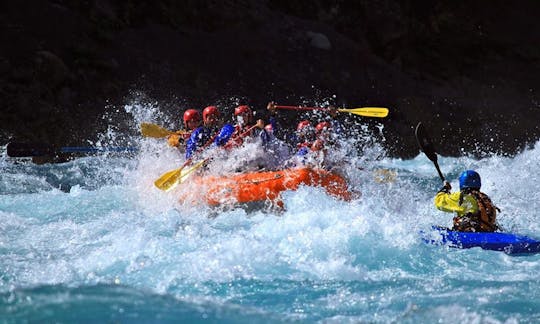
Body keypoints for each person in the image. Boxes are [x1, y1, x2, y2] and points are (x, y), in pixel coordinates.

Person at [434, 170, 499, 232]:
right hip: (486, 231)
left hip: (469, 233)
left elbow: (439, 202)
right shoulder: (484, 197)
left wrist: (445, 188)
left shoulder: (461, 196)